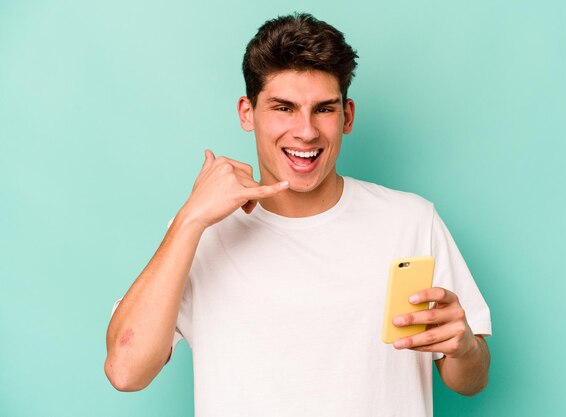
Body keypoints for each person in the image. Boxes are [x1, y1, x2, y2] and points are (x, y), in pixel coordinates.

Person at [105, 12, 491, 417]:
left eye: (323, 109)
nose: (305, 131)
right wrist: (189, 220)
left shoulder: (411, 220)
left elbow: (472, 380)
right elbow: (125, 371)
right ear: (246, 113)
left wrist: (463, 346)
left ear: (347, 115)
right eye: (284, 108)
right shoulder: (200, 233)